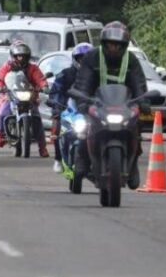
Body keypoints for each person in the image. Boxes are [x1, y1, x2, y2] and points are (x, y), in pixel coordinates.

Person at [72, 21, 148, 186]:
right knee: (83, 128)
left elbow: (139, 83)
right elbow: (83, 81)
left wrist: (143, 101)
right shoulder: (92, 57)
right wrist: (82, 100)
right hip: (96, 103)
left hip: (123, 104)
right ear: (104, 43)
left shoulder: (132, 60)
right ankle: (82, 160)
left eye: (118, 45)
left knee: (136, 125)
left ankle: (133, 162)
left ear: (124, 46)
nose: (114, 48)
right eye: (110, 44)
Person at [0, 41, 49, 156]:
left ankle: (42, 147)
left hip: (29, 97)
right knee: (2, 112)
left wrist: (44, 86)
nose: (21, 59)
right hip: (11, 96)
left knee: (37, 119)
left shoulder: (33, 68)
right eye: (18, 56)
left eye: (23, 56)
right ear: (13, 56)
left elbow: (40, 79)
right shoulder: (7, 67)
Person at [47, 43, 93, 172]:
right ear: (75, 59)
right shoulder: (66, 74)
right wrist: (56, 105)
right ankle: (58, 158)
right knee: (57, 124)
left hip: (92, 110)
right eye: (81, 58)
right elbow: (56, 91)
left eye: (87, 59)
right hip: (69, 108)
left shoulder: (98, 75)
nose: (84, 62)